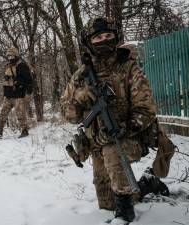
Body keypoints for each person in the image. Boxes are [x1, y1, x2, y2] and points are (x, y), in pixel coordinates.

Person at [61, 18, 170, 223]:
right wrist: (80, 97)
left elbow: (146, 110)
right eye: (98, 37)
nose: (104, 40)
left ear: (116, 37)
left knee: (113, 152)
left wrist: (125, 127)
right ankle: (147, 183)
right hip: (96, 143)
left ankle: (125, 213)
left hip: (130, 137)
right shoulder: (80, 76)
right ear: (89, 43)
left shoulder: (129, 69)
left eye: (108, 36)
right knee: (107, 204)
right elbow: (67, 114)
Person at [0, 47, 32, 138]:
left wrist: (15, 80)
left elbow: (28, 80)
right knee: (3, 113)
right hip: (8, 94)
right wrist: (7, 79)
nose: (10, 58)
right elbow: (7, 79)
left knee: (20, 113)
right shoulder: (8, 66)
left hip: (18, 94)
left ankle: (25, 130)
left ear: (16, 55)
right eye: (9, 56)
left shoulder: (22, 66)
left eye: (12, 56)